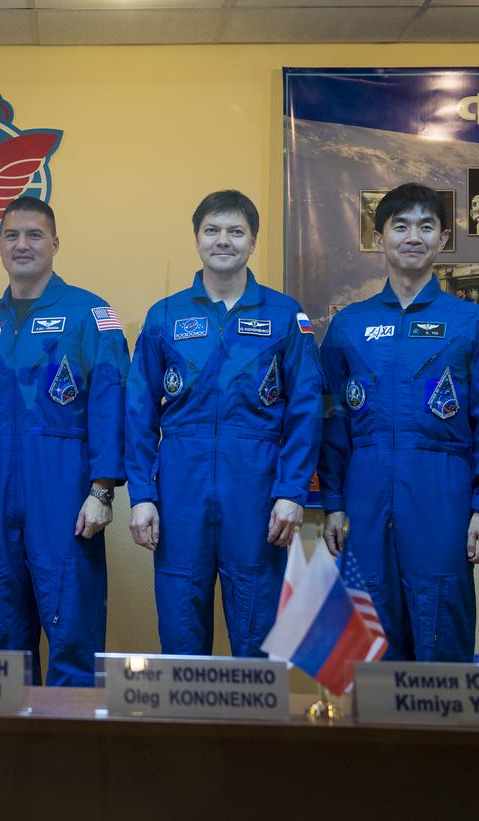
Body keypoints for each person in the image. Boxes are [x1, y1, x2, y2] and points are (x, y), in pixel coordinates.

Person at [319, 183, 479, 662]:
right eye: (401, 226)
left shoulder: (471, 323)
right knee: (367, 633)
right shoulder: (348, 325)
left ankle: (443, 734)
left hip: (441, 491)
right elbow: (331, 421)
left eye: (426, 226)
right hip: (364, 494)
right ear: (380, 237)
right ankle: (374, 739)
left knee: (440, 622)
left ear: (442, 238)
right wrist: (333, 503)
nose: (414, 236)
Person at [125, 190, 322, 657]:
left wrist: (292, 491)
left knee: (257, 635)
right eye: (212, 230)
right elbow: (138, 413)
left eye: (236, 231)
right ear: (197, 239)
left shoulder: (284, 316)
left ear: (253, 241)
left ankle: (253, 730)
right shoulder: (165, 315)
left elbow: (307, 409)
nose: (223, 241)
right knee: (179, 629)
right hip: (180, 492)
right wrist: (142, 496)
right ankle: (184, 727)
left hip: (255, 493)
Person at [0, 196, 128, 687]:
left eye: (34, 235)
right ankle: (12, 755)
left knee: (71, 615)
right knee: (4, 623)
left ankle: (69, 756)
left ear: (55, 243)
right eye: (12, 235)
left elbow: (112, 402)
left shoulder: (91, 314)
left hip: (65, 485)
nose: (22, 244)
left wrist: (102, 490)